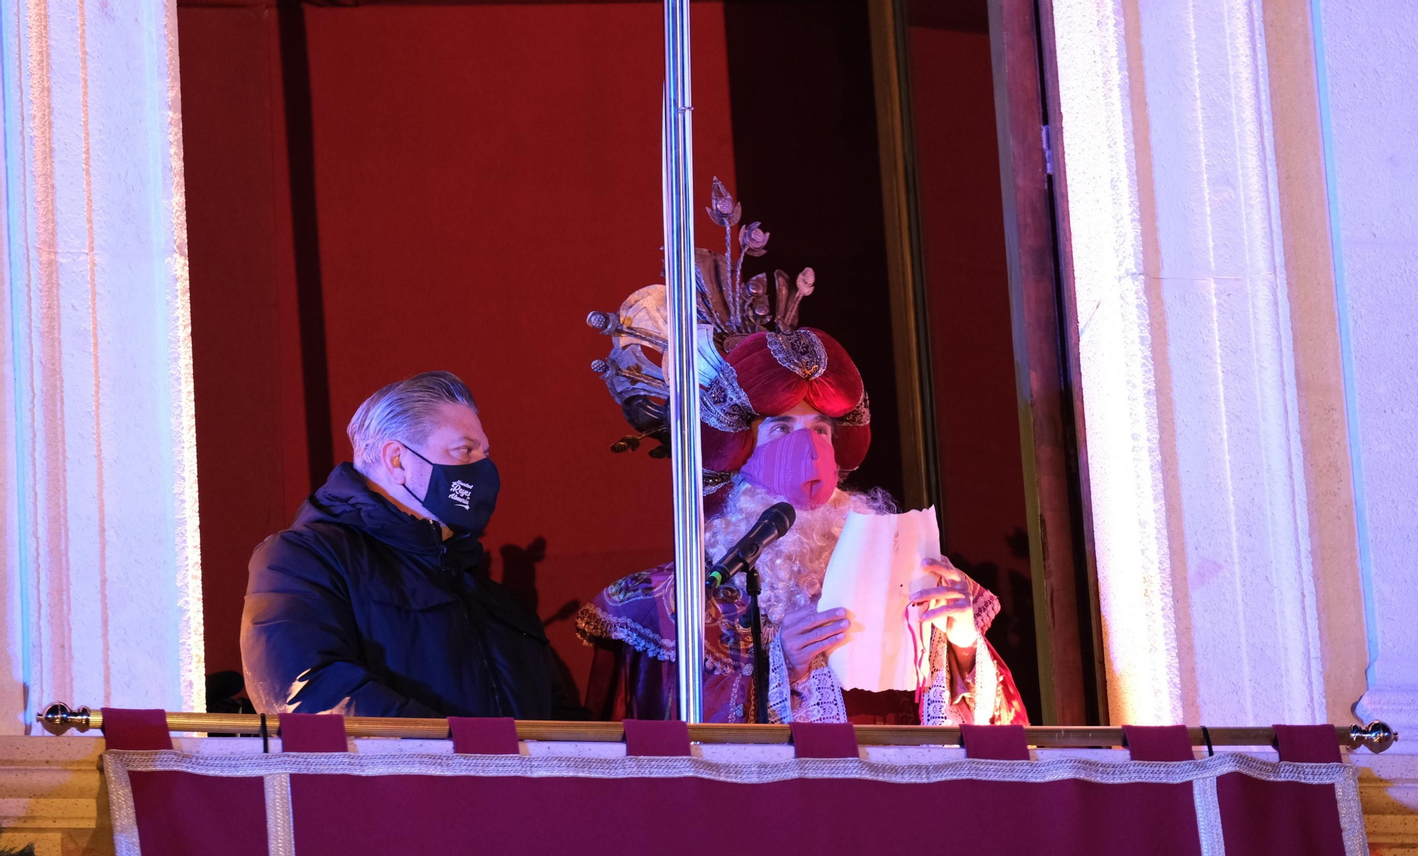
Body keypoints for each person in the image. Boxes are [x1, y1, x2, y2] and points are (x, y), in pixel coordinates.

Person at [578, 179, 1028, 725]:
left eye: (820, 428)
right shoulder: (672, 607)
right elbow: (667, 755)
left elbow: (999, 739)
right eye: (780, 428)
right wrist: (780, 670)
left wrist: (960, 646)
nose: (809, 447)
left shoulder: (916, 576)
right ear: (741, 448)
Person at [242, 371, 573, 719]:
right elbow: (308, 694)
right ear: (396, 459)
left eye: (485, 454)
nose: (484, 468)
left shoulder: (494, 598)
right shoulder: (302, 560)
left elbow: (562, 721)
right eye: (465, 450)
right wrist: (461, 757)